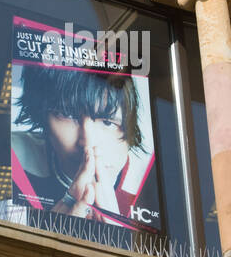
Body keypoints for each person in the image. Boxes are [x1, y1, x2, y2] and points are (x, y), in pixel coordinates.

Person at [11, 65, 148, 226]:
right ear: (42, 118)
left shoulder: (152, 185)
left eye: (107, 122)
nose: (87, 143)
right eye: (67, 115)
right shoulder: (11, 157)